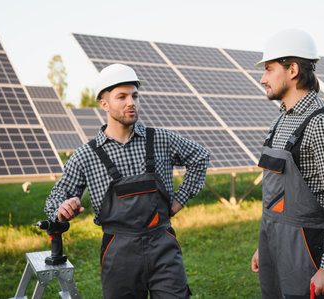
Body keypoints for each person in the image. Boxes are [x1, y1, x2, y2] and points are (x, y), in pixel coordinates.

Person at [45, 63, 210, 298]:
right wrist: (61, 209)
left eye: (134, 95)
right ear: (104, 104)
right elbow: (55, 199)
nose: (131, 102)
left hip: (163, 246)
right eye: (121, 97)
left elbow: (200, 157)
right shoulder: (86, 155)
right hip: (118, 252)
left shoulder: (161, 139)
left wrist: (180, 200)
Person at [250, 29, 324, 299]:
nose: (262, 79)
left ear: (293, 69)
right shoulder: (280, 120)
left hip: (307, 251)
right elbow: (276, 195)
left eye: (269, 69)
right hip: (275, 244)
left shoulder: (323, 122)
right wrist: (266, 245)